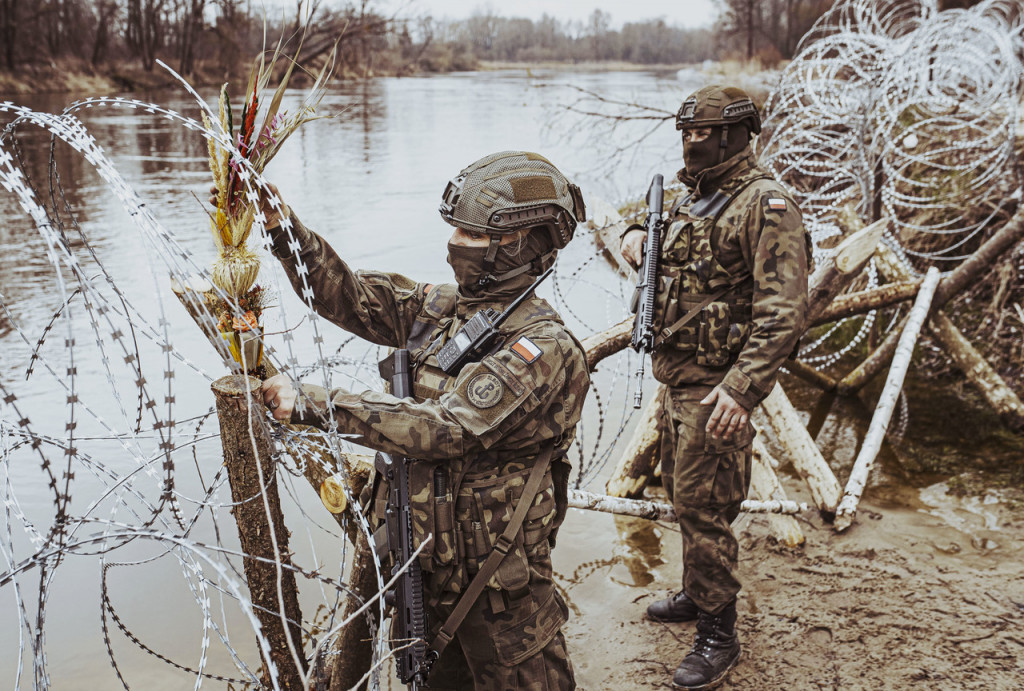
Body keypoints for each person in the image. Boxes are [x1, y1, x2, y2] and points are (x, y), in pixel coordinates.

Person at [254, 151, 590, 690]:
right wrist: (282, 229)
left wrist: (318, 404)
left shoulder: (542, 349)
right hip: (429, 572)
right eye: (455, 229)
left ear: (520, 245)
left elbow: (444, 428)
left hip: (500, 591)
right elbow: (351, 297)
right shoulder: (440, 309)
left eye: (472, 234)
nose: (456, 243)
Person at [619, 85, 811, 690]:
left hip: (717, 389)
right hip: (677, 381)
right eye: (685, 132)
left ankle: (717, 634)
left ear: (734, 136)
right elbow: (657, 229)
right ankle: (697, 595)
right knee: (683, 496)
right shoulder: (693, 195)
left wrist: (741, 390)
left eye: (700, 133)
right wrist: (632, 235)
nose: (689, 142)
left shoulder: (766, 205)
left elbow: (783, 313)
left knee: (705, 511)